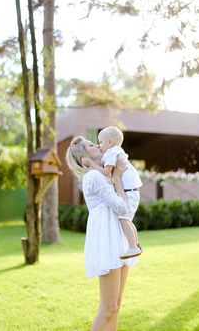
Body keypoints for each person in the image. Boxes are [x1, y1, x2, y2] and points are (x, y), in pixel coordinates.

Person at [66, 136, 138, 331]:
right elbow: (122, 208)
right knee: (109, 307)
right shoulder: (94, 177)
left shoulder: (104, 174)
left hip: (117, 236)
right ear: (83, 155)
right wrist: (116, 179)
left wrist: (116, 176)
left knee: (116, 305)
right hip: (107, 239)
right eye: (91, 145)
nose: (97, 145)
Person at [82, 126, 143, 259]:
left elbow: (106, 172)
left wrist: (90, 163)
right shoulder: (115, 151)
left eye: (101, 142)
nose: (99, 145)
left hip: (129, 191)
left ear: (110, 142)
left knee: (123, 218)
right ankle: (135, 245)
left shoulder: (111, 153)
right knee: (127, 219)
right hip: (131, 190)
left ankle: (133, 247)